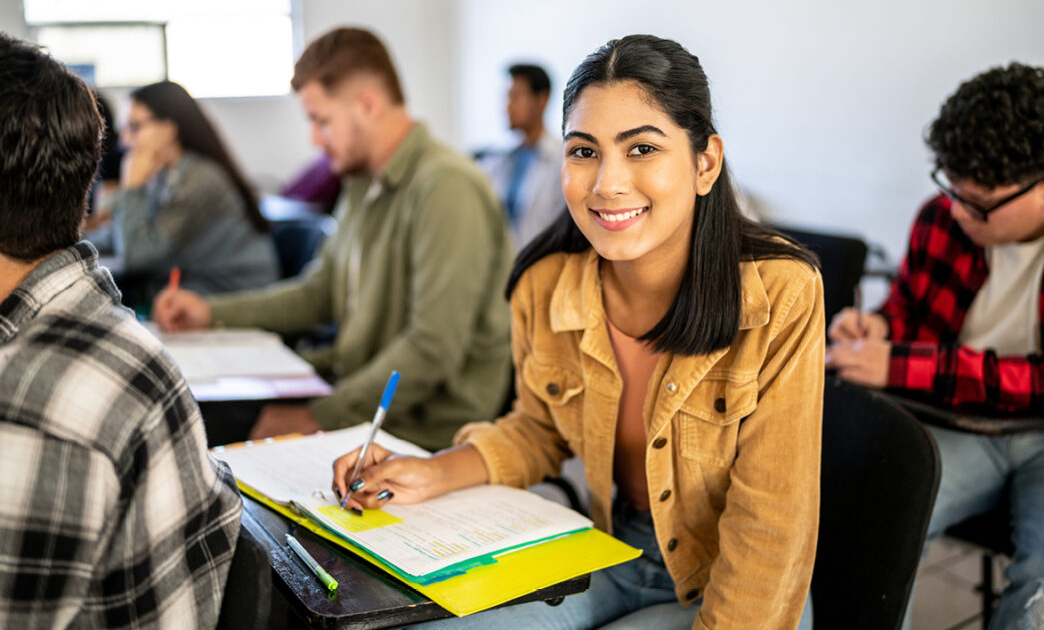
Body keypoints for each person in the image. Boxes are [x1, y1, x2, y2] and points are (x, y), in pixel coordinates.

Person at [332, 34, 825, 629]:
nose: (606, 183)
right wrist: (434, 470)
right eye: (584, 151)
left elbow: (772, 521)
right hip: (612, 547)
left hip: (735, 573)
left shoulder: (782, 293)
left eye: (641, 148)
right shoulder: (544, 284)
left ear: (705, 163)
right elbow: (540, 428)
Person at [0, 28, 242, 628]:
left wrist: (134, 185)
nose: (130, 139)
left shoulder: (195, 178)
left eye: (140, 127)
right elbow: (115, 241)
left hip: (218, 309)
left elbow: (143, 252)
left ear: (170, 128)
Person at [153, 27, 514, 451]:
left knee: (211, 436)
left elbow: (432, 349)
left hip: (423, 432)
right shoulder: (363, 182)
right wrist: (209, 312)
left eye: (321, 121)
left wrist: (316, 417)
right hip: (357, 397)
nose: (313, 139)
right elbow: (317, 294)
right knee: (194, 410)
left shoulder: (446, 187)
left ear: (367, 104)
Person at [827, 62, 1044, 629]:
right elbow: (910, 311)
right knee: (869, 533)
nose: (958, 211)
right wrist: (880, 328)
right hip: (959, 424)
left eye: (980, 202)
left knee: (1037, 600)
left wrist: (899, 366)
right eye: (952, 189)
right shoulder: (942, 220)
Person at [90, 80, 278, 303]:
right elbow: (121, 237)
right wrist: (75, 244)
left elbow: (136, 257)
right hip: (199, 288)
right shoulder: (165, 174)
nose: (124, 142)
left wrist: (132, 190)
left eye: (134, 128)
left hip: (235, 296)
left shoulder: (199, 178)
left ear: (169, 128)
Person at [477, 63, 565, 249]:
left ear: (542, 99)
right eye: (507, 98)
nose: (507, 107)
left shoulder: (561, 160)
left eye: (515, 97)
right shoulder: (499, 161)